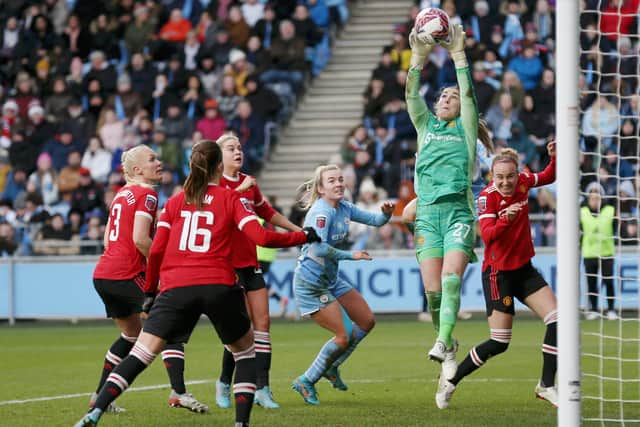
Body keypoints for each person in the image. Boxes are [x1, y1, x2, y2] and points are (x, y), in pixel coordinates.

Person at [74, 140, 320, 427]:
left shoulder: (175, 202)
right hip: (218, 283)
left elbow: (154, 252)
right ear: (219, 167)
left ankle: (95, 411)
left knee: (141, 351)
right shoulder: (231, 199)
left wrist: (152, 291)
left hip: (175, 285)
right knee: (245, 352)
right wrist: (303, 236)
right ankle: (240, 423)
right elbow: (263, 237)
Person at [435, 143, 558, 409]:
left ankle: (546, 385)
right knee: (500, 342)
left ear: (517, 174)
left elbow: (548, 176)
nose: (505, 182)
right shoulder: (487, 197)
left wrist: (554, 157)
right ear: (492, 176)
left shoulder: (524, 182)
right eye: (500, 177)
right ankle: (452, 380)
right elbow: (487, 235)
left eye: (510, 176)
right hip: (497, 274)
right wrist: (506, 219)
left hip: (523, 269)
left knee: (558, 319)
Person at [406, 24, 493, 381]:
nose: (445, 98)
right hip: (426, 215)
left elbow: (470, 96)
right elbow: (411, 95)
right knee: (434, 295)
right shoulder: (425, 126)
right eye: (442, 95)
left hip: (457, 211)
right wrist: (417, 58)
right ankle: (449, 343)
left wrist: (458, 55)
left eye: (451, 97)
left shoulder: (465, 130)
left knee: (452, 279)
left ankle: (442, 341)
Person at [291, 164, 395, 405]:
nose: (338, 183)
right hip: (311, 283)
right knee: (344, 335)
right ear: (320, 188)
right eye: (331, 181)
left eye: (340, 179)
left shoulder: (344, 207)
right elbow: (317, 248)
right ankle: (306, 380)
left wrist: (387, 213)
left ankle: (332, 366)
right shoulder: (321, 212)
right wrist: (352, 256)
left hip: (330, 278)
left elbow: (375, 220)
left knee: (367, 321)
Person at [214, 134, 303, 409]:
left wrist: (296, 230)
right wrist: (240, 190)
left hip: (249, 264)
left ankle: (262, 388)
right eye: (230, 148)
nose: (237, 151)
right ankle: (223, 382)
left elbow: (267, 211)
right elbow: (218, 215)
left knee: (263, 325)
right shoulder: (215, 184)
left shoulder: (249, 182)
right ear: (219, 157)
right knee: (240, 331)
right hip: (225, 266)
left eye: (239, 147)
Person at [84, 145, 163, 414]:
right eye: (152, 159)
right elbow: (141, 239)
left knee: (130, 335)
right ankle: (179, 391)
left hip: (103, 274)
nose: (159, 162)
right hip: (125, 273)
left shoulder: (121, 194)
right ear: (138, 169)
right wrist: (162, 266)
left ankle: (99, 397)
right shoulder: (147, 194)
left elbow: (108, 239)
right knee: (168, 320)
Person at [580, 182, 617, 320]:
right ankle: (594, 309)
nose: (595, 201)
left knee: (608, 282)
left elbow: (617, 227)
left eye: (597, 198)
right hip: (589, 253)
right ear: (588, 199)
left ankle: (611, 309)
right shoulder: (582, 212)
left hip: (607, 252)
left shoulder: (610, 211)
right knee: (591, 283)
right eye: (592, 198)